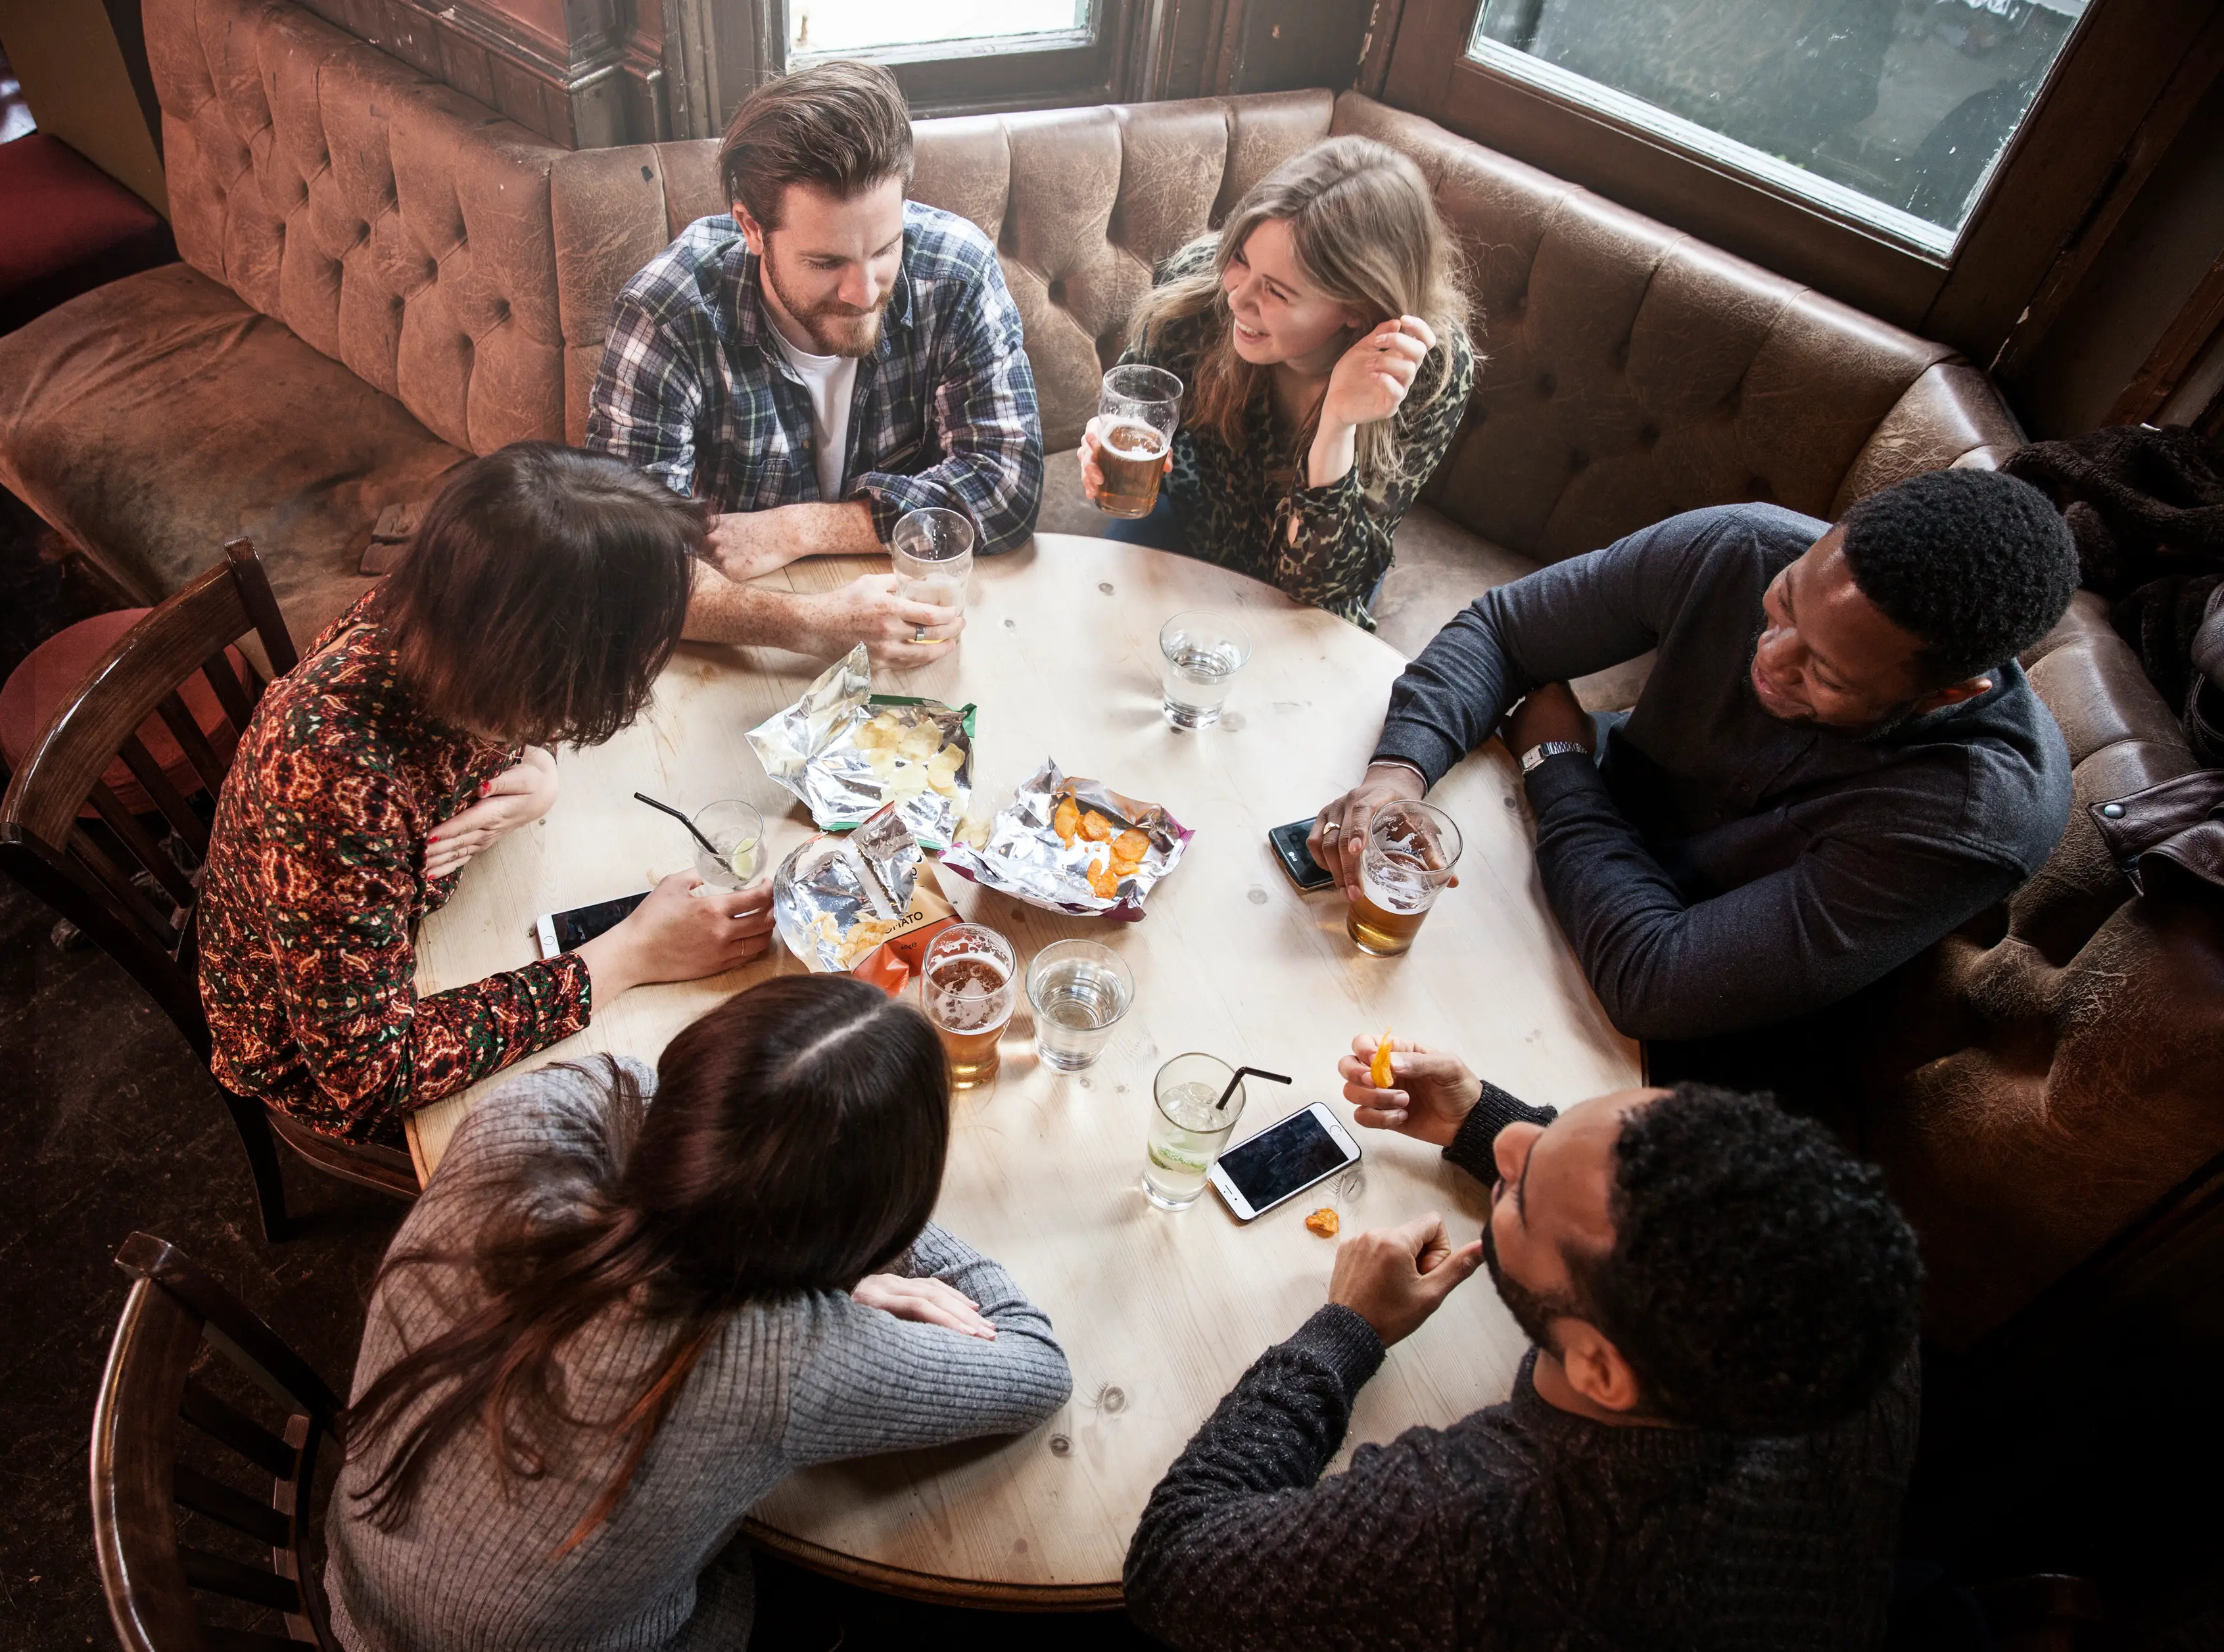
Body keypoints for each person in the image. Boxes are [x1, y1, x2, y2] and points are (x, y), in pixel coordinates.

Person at [327, 974, 1074, 1652]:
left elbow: (656, 1098)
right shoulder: (776, 1357)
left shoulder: (530, 1115)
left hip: (361, 1584)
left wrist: (828, 1238)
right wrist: (859, 1250)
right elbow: (1038, 1368)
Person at [1122, 1033, 1924, 1652]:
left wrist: (1345, 1331)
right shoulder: (1848, 1282)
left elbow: (1174, 1567)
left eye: (1525, 1186)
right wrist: (1477, 1117)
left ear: (1599, 1371)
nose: (1511, 1138)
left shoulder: (1485, 1529)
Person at [1311, 470, 2079, 1044]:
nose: (1772, 659)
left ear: (1946, 695)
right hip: (1557, 855)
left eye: (1826, 674)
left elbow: (1657, 981)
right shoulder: (1746, 545)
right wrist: (1396, 773)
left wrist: (1557, 762)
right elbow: (1503, 630)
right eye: (1782, 607)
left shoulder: (1977, 814)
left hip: (1654, 1010)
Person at [198, 443, 776, 1148]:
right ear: (557, 665)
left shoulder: (457, 609)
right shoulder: (336, 776)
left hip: (409, 920)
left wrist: (540, 769)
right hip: (315, 1056)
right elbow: (368, 1072)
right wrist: (628, 956)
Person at [588, 60, 1043, 674]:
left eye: (884, 249)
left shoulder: (956, 273)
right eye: (826, 261)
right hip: (740, 635)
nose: (863, 290)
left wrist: (800, 529)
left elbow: (1009, 488)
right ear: (751, 227)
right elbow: (627, 567)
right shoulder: (668, 313)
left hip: (915, 623)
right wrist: (808, 623)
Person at [1085, 134, 1475, 628]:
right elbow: (1133, 405)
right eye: (1241, 259)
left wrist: (1337, 424)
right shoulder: (1199, 290)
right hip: (1194, 516)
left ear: (1357, 309)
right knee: (1099, 622)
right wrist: (1101, 442)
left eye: (1277, 292)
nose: (1238, 300)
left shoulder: (1426, 371)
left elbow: (1321, 583)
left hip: (1323, 556)